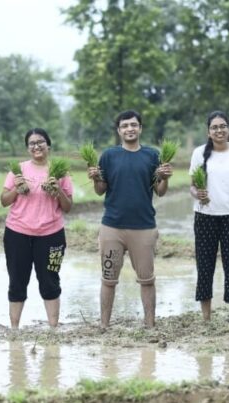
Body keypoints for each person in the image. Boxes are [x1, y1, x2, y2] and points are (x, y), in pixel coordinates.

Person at [87, 110, 172, 329]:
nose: (129, 129)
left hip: (143, 227)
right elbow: (100, 190)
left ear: (140, 128)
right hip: (112, 227)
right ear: (119, 131)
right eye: (125, 126)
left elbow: (160, 191)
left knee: (147, 279)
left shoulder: (152, 156)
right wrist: (96, 178)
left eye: (133, 125)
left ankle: (150, 325)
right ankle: (104, 326)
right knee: (108, 279)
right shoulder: (108, 156)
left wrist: (164, 178)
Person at [0, 128, 73, 328]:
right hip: (17, 234)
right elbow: (4, 201)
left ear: (48, 145)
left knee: (50, 280)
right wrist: (17, 188)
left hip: (52, 235)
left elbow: (67, 207)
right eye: (32, 143)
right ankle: (14, 328)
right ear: (27, 148)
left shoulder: (60, 171)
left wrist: (57, 191)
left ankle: (53, 328)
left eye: (40, 142)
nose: (36, 146)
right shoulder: (18, 170)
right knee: (17, 280)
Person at [189, 111, 229, 323]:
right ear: (208, 132)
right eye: (214, 127)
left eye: (223, 126)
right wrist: (197, 193)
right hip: (205, 216)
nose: (219, 130)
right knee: (205, 266)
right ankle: (206, 318)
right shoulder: (199, 153)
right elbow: (192, 186)